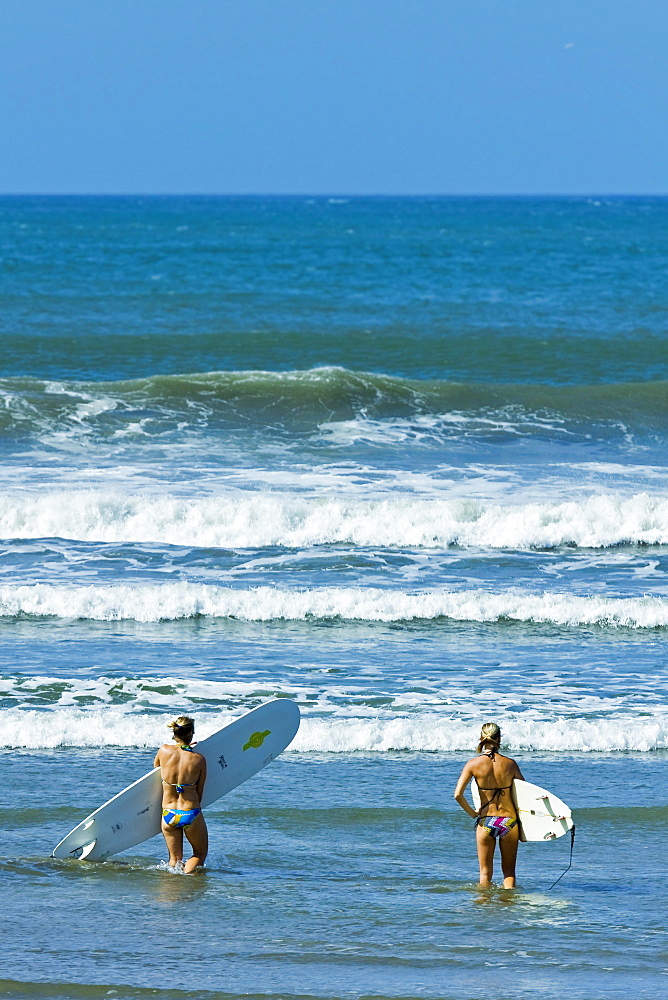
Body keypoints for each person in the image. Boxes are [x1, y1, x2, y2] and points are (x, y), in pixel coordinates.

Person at [453, 722, 524, 888]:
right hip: (509, 822)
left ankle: (483, 908)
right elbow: (523, 795)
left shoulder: (473, 764)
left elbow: (457, 795)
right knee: (509, 873)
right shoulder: (510, 764)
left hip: (486, 822)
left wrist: (473, 813)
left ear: (481, 739)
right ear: (499, 738)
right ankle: (508, 907)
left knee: (485, 873)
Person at [154, 715, 208, 873]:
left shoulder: (163, 750)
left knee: (175, 859)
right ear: (191, 733)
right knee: (199, 854)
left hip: (168, 814)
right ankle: (187, 880)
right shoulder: (199, 760)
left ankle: (173, 888)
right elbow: (200, 791)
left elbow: (156, 768)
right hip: (190, 811)